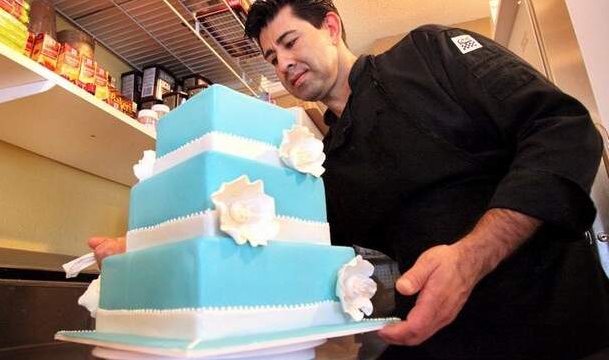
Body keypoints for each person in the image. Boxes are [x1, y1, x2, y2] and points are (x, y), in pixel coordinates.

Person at [90, 1, 609, 359]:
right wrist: (148, 247)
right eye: (273, 58)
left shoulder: (430, 54)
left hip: (557, 332)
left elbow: (563, 128)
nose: (284, 64)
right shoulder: (321, 162)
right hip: (433, 343)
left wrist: (471, 257)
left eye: (291, 41)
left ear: (333, 27)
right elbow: (293, 247)